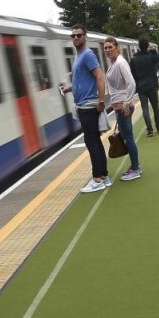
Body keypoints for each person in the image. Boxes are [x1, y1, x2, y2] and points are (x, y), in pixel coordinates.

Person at [59, 24, 109, 192]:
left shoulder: (87, 55)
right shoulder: (79, 56)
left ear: (85, 37)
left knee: (91, 141)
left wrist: (101, 101)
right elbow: (81, 81)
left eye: (79, 35)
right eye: (73, 36)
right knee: (95, 140)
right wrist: (69, 89)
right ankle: (104, 176)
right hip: (84, 105)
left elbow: (100, 77)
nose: (75, 38)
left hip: (88, 105)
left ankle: (97, 179)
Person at [102, 36, 141, 180]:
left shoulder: (120, 63)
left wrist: (125, 103)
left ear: (117, 48)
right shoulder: (113, 63)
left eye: (110, 47)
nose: (107, 50)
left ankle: (136, 169)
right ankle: (135, 166)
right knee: (126, 138)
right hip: (119, 105)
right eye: (105, 48)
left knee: (128, 138)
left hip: (123, 107)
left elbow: (131, 83)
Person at [130, 36, 159, 137]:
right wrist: (153, 50)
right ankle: (158, 126)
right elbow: (158, 59)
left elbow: (133, 74)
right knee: (155, 107)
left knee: (144, 108)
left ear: (139, 46)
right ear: (147, 45)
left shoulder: (134, 59)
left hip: (141, 87)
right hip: (152, 85)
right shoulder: (151, 57)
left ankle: (150, 130)